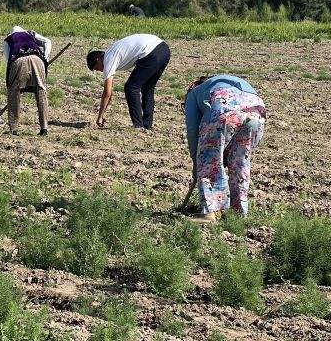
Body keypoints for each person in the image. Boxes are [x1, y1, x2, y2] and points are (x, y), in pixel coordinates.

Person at [184, 74, 267, 221]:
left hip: (225, 108)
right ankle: (238, 213)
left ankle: (211, 211)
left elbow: (192, 130)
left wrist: (196, 160)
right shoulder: (227, 81)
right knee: (240, 163)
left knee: (210, 161)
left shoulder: (193, 93)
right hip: (257, 112)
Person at [86, 34, 171, 130]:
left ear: (98, 59)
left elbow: (107, 93)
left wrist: (100, 116)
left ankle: (138, 126)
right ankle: (147, 126)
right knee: (147, 88)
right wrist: (103, 112)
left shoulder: (108, 59)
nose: (101, 71)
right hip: (164, 49)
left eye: (97, 68)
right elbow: (110, 92)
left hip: (151, 53)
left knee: (131, 87)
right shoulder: (112, 53)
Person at [2, 25, 52, 136]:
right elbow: (48, 41)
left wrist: (16, 82)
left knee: (13, 94)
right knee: (41, 92)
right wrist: (45, 58)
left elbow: (9, 60)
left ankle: (13, 129)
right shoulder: (31, 34)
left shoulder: (8, 40)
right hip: (37, 59)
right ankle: (44, 128)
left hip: (18, 61)